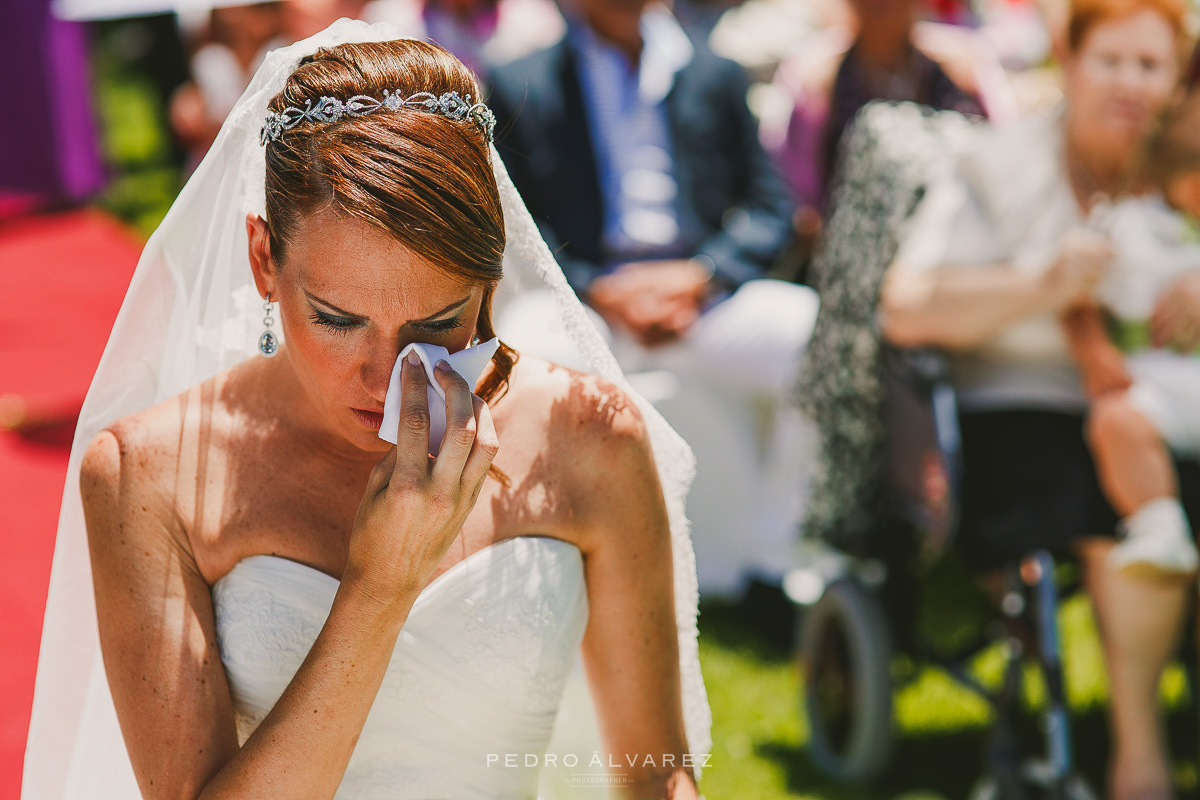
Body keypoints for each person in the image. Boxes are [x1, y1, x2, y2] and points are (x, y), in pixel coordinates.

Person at [21, 22, 710, 800]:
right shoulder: (147, 474)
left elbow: (657, 773)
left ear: (490, 284)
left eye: (436, 323)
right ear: (262, 261)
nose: (387, 376)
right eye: (338, 319)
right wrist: (381, 585)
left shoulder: (589, 436)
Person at [880, 0, 1195, 794]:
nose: (1130, 82)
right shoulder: (999, 164)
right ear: (1070, 59)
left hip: (1154, 402)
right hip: (1018, 402)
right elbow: (906, 305)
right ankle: (1138, 752)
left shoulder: (1179, 163)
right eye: (1110, 60)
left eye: (1150, 65)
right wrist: (1040, 285)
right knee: (1114, 512)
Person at [487, 0, 820, 594]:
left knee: (813, 335)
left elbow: (773, 205)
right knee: (525, 348)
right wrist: (599, 288)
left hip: (698, 296)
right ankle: (555, 566)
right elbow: (517, 220)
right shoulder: (523, 79)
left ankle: (774, 560)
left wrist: (703, 275)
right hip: (590, 300)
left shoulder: (711, 71)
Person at [1060, 99, 1200, 579]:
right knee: (1116, 422)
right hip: (1153, 384)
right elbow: (1080, 301)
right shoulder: (1127, 225)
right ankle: (1157, 524)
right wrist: (1095, 352)